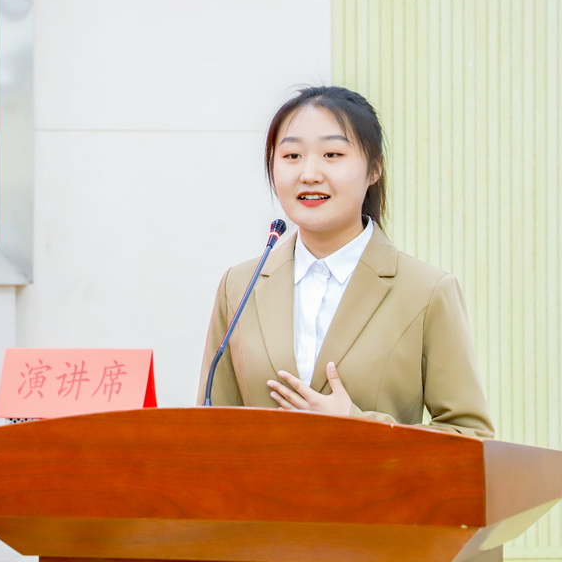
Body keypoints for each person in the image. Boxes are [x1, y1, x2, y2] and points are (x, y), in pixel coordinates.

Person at [197, 86, 494, 438]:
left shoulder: (427, 291)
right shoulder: (239, 285)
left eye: (332, 154)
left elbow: (470, 436)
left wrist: (358, 424)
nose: (309, 173)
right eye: (292, 155)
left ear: (374, 169)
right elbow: (210, 430)